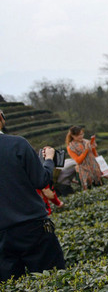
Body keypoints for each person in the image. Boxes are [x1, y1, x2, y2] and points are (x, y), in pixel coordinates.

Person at [0, 108, 66, 282]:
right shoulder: (17, 144)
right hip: (32, 226)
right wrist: (49, 160)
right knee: (53, 281)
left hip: (2, 236)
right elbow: (40, 180)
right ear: (1, 118)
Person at [65, 126, 104, 191]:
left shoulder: (87, 142)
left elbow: (95, 155)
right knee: (89, 192)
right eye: (78, 135)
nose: (81, 136)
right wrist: (86, 150)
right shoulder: (70, 147)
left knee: (101, 189)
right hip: (83, 172)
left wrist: (93, 147)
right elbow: (78, 161)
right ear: (72, 135)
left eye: (82, 134)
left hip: (94, 170)